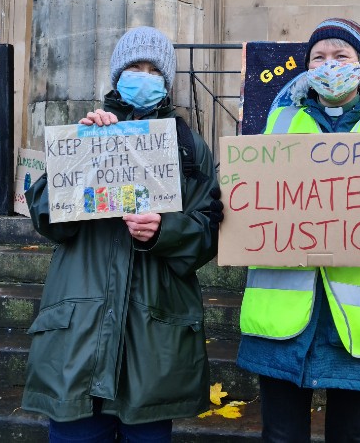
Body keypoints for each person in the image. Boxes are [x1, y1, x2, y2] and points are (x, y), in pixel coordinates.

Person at [232, 18, 360, 443]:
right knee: (280, 437)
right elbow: (254, 209)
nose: (329, 65)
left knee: (352, 438)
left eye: (341, 56)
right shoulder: (280, 125)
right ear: (306, 68)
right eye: (318, 58)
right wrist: (228, 213)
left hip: (359, 326)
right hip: (283, 322)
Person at [22, 27, 220, 442]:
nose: (144, 76)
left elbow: (209, 230)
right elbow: (43, 214)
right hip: (80, 340)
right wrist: (79, 152)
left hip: (152, 344)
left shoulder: (190, 146)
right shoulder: (85, 132)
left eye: (154, 69)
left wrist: (165, 230)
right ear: (117, 75)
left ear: (166, 81)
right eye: (134, 67)